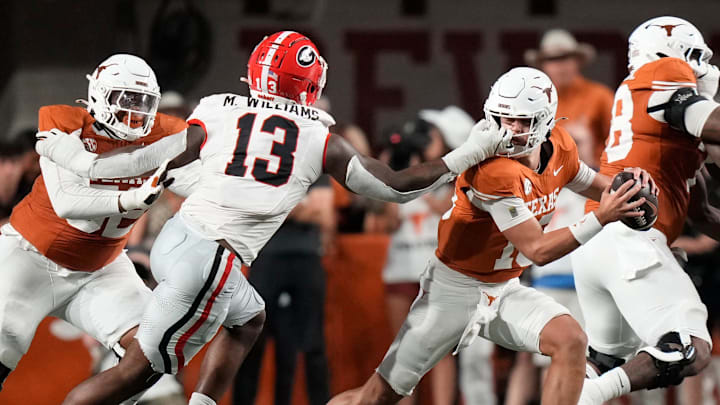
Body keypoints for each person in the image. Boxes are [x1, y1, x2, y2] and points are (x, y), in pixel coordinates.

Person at [37, 31, 513, 405]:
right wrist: (470, 152)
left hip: (180, 239)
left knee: (249, 318)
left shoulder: (217, 109)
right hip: (210, 259)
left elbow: (171, 161)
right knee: (137, 372)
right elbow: (394, 186)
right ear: (308, 83)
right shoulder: (317, 135)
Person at [328, 66, 654, 405]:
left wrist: (627, 189)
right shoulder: (492, 170)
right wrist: (602, 217)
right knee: (373, 398)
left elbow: (582, 177)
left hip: (504, 288)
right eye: (504, 119)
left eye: (522, 121)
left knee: (571, 340)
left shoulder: (559, 144)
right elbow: (537, 249)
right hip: (453, 292)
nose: (510, 130)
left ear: (546, 120)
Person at [0, 54, 185, 397]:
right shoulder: (64, 122)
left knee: (156, 349)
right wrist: (130, 200)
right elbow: (68, 203)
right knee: (2, 346)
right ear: (98, 95)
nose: (136, 110)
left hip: (101, 267)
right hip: (30, 256)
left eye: (144, 101)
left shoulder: (166, 133)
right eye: (126, 99)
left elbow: (200, 171)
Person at [572, 16, 720, 404]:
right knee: (688, 347)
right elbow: (706, 119)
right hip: (631, 238)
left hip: (600, 244)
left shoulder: (663, 129)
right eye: (694, 57)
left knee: (604, 360)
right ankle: (587, 396)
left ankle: (578, 395)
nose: (701, 68)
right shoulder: (663, 72)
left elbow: (703, 213)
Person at [233, 176, 334, 405]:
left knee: (313, 342)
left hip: (306, 260)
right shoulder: (264, 168)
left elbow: (324, 215)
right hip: (266, 259)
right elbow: (250, 208)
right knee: (251, 341)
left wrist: (278, 207)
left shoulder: (315, 169)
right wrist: (302, 208)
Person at [525, 28, 614, 167]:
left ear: (577, 61)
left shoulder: (600, 96)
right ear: (543, 65)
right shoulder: (533, 101)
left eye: (565, 58)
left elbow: (622, 143)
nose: (560, 66)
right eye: (552, 59)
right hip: (546, 179)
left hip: (595, 176)